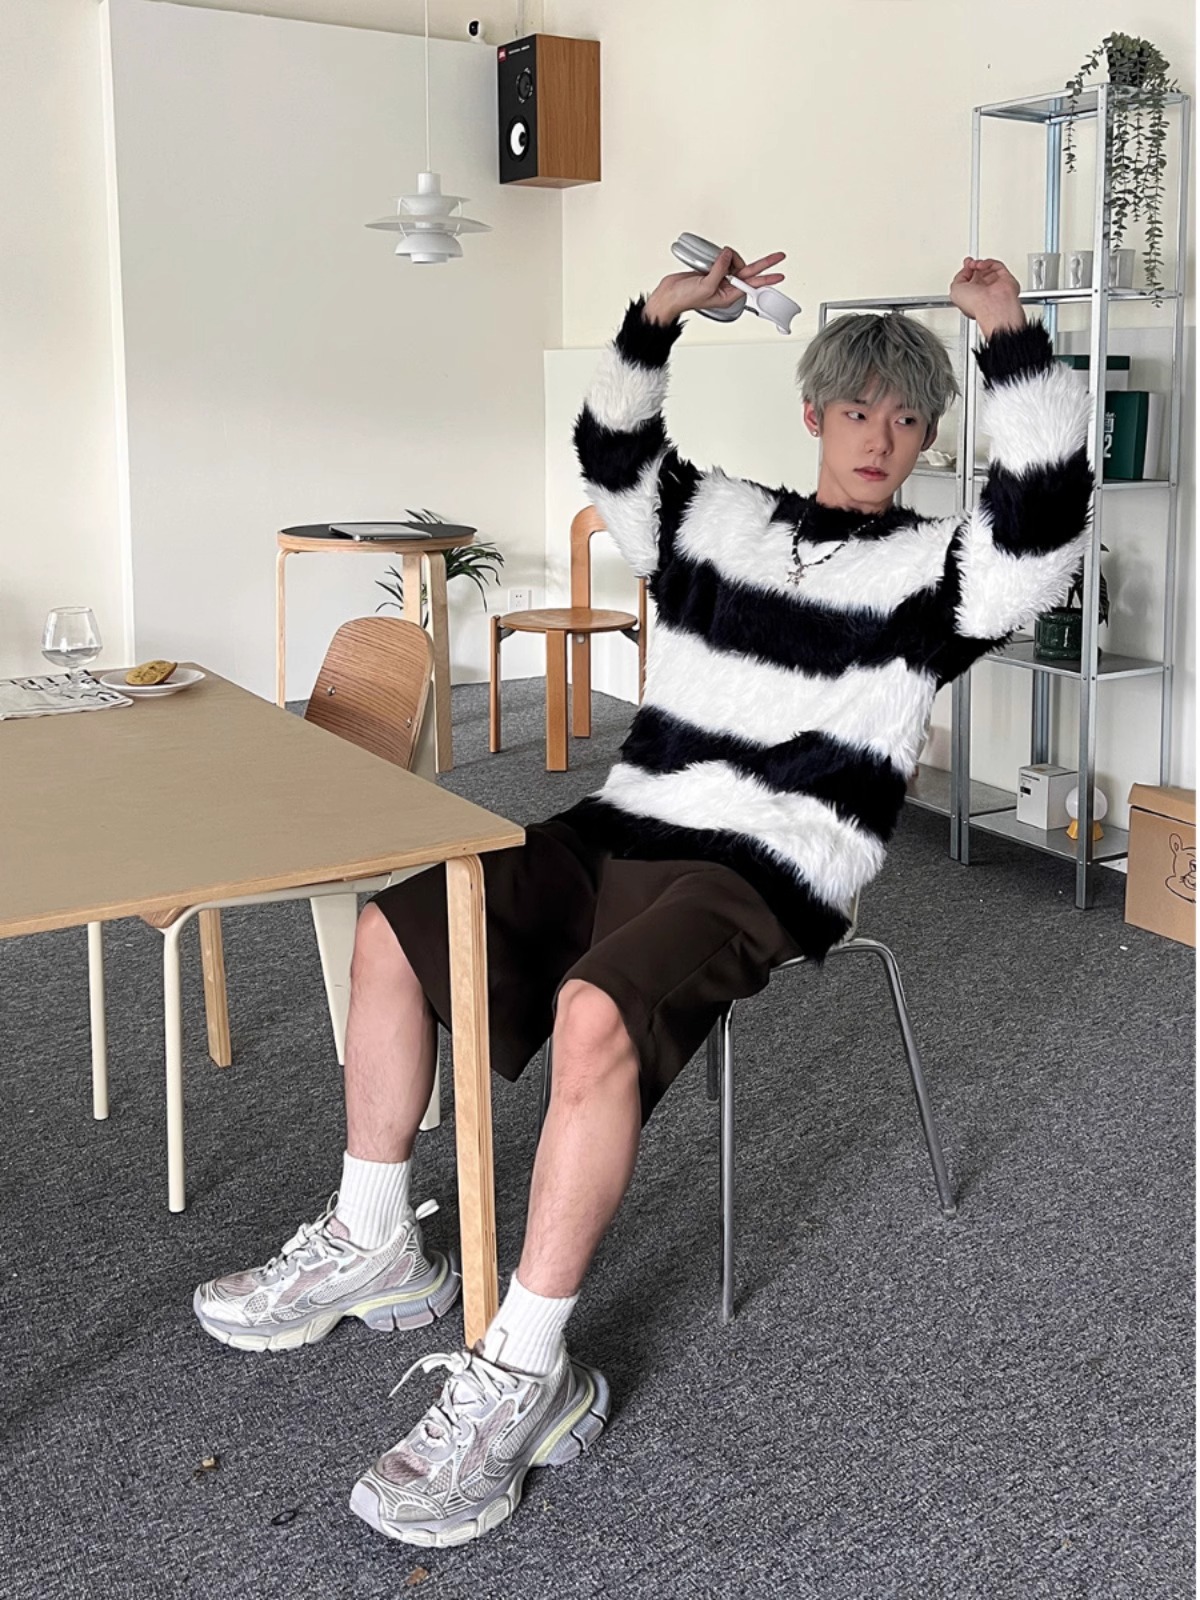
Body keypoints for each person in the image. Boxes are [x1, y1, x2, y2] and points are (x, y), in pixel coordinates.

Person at [194, 250, 1092, 1548]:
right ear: (814, 413)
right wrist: (660, 316)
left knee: (596, 1011)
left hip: (771, 862)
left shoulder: (939, 572)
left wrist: (1008, 334)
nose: (879, 440)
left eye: (908, 420)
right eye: (857, 411)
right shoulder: (717, 520)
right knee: (397, 925)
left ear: (929, 437)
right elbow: (611, 453)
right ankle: (376, 1238)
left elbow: (1043, 533)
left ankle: (529, 1370)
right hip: (631, 818)